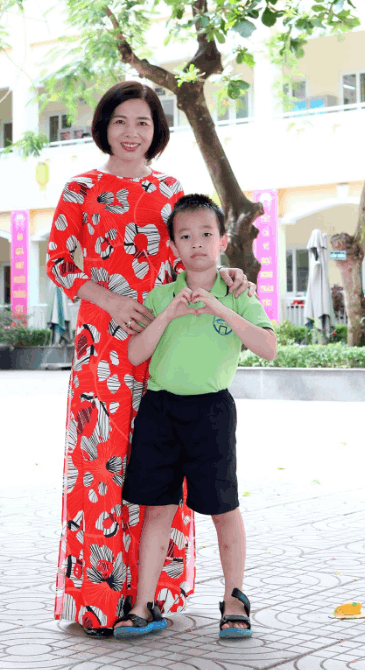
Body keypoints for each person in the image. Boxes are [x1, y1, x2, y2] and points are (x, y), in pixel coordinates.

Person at [46, 82, 252, 636]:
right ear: (104, 126)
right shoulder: (80, 189)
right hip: (101, 352)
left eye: (143, 122)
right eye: (120, 121)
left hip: (166, 347)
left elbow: (191, 252)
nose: (131, 132)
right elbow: (60, 263)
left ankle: (150, 596)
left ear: (157, 130)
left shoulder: (169, 190)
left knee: (160, 475)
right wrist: (111, 301)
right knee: (99, 468)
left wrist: (228, 272)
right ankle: (97, 599)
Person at [114, 193, 277, 640]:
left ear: (223, 240)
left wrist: (219, 307)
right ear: (173, 246)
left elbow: (268, 347)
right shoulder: (161, 295)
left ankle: (234, 600)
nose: (197, 243)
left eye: (207, 233)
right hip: (160, 410)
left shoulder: (239, 292)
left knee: (224, 508)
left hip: (211, 412)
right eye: (185, 236)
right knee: (157, 509)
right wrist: (170, 312)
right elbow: (135, 353)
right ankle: (143, 606)